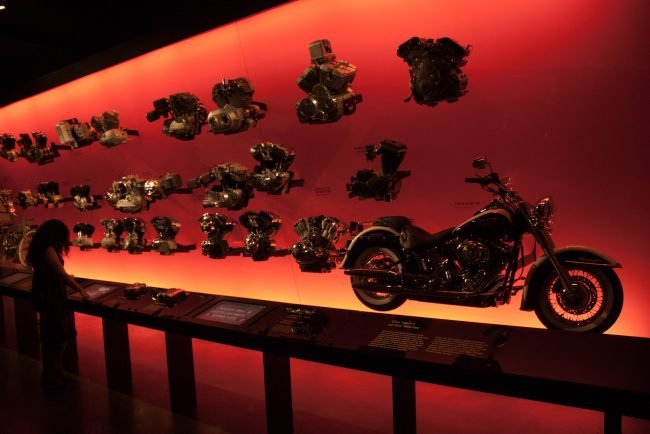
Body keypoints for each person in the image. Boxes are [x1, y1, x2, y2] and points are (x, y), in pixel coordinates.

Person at [26, 219, 89, 389]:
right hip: (51, 296)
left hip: (45, 294)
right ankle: (52, 374)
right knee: (57, 336)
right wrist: (80, 289)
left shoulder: (39, 248)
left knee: (53, 336)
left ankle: (55, 371)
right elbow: (60, 273)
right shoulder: (49, 249)